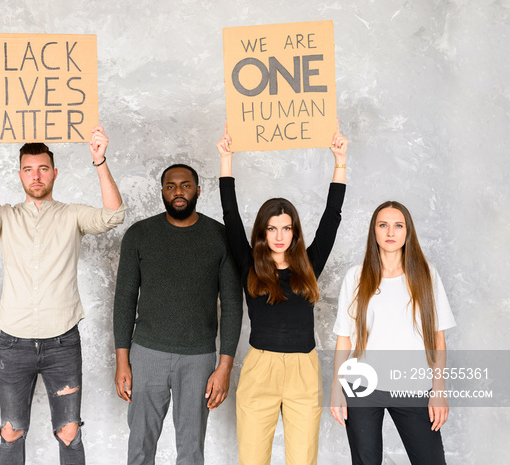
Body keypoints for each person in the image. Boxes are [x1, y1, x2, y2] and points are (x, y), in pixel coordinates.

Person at [0, 121, 125, 465]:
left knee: (69, 432)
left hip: (63, 343)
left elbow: (113, 214)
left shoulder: (72, 215)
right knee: (11, 432)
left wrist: (100, 161)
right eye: (28, 170)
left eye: (43, 168)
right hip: (14, 344)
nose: (36, 176)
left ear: (54, 173)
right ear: (20, 175)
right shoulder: (5, 217)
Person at [216, 123, 349, 465]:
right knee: (252, 459)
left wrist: (340, 163)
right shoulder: (250, 265)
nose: (279, 235)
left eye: (286, 228)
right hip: (260, 368)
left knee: (303, 460)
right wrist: (226, 160)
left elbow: (331, 219)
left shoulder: (309, 265)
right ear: (262, 232)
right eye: (272, 228)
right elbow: (230, 215)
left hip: (303, 370)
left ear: (294, 231)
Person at [113, 163, 243, 465]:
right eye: (170, 186)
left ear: (198, 190)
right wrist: (123, 362)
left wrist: (224, 367)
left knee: (191, 449)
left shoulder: (220, 237)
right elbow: (124, 300)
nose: (178, 192)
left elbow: (233, 305)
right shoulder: (140, 235)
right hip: (146, 355)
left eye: (185, 185)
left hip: (198, 358)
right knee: (140, 446)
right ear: (162, 192)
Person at [330, 201, 456, 465]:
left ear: (407, 231)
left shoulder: (425, 275)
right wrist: (336, 389)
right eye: (383, 225)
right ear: (374, 231)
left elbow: (438, 339)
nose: (390, 232)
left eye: (398, 225)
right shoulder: (356, 277)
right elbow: (345, 338)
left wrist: (439, 389)